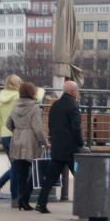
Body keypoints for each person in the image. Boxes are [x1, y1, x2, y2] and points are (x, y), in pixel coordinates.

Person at [0, 74, 44, 204]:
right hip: (19, 134)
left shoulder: (0, 98)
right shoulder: (18, 97)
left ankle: (0, 189)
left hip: (4, 134)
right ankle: (14, 196)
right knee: (17, 167)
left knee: (15, 165)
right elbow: (38, 96)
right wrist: (40, 88)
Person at [35, 80, 85, 213]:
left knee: (50, 178)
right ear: (73, 92)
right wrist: (80, 143)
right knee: (82, 177)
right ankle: (85, 205)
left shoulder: (55, 105)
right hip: (71, 150)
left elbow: (51, 125)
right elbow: (76, 128)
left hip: (58, 148)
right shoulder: (73, 106)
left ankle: (41, 203)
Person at [7, 81, 47, 211]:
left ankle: (20, 200)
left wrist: (17, 130)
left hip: (17, 139)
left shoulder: (15, 106)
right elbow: (37, 128)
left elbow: (8, 124)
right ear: (32, 92)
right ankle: (25, 199)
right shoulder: (34, 107)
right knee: (36, 171)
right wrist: (43, 142)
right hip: (30, 140)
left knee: (21, 173)